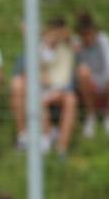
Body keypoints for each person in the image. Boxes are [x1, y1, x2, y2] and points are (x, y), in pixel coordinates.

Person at [11, 17, 78, 157]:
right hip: (41, 91)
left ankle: (61, 149)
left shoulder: (69, 48)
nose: (55, 35)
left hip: (60, 91)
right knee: (39, 98)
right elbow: (24, 73)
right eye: (52, 31)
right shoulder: (37, 49)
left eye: (58, 31)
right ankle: (39, 139)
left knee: (70, 100)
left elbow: (68, 76)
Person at [75, 13, 109, 139]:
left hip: (104, 81)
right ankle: (91, 117)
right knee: (82, 71)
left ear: (94, 32)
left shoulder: (104, 40)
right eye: (84, 35)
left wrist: (103, 85)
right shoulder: (77, 44)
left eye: (89, 34)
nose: (87, 38)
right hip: (87, 83)